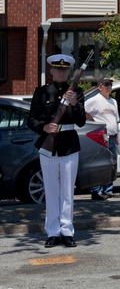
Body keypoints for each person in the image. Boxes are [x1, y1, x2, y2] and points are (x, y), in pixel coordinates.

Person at [27, 54, 86, 248]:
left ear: (69, 71)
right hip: (48, 144)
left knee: (68, 191)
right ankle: (52, 232)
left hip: (69, 144)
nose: (61, 72)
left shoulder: (78, 92)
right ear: (51, 70)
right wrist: (43, 128)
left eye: (65, 69)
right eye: (57, 69)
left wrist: (75, 103)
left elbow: (81, 121)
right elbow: (32, 120)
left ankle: (67, 231)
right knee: (51, 190)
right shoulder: (41, 92)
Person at [85, 76, 120, 200]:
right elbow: (83, 110)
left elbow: (116, 120)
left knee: (110, 164)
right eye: (106, 84)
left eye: (110, 84)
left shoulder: (113, 101)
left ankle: (108, 190)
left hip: (111, 137)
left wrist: (117, 135)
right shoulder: (95, 100)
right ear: (100, 87)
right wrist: (93, 120)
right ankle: (96, 191)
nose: (109, 86)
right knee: (99, 164)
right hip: (100, 137)